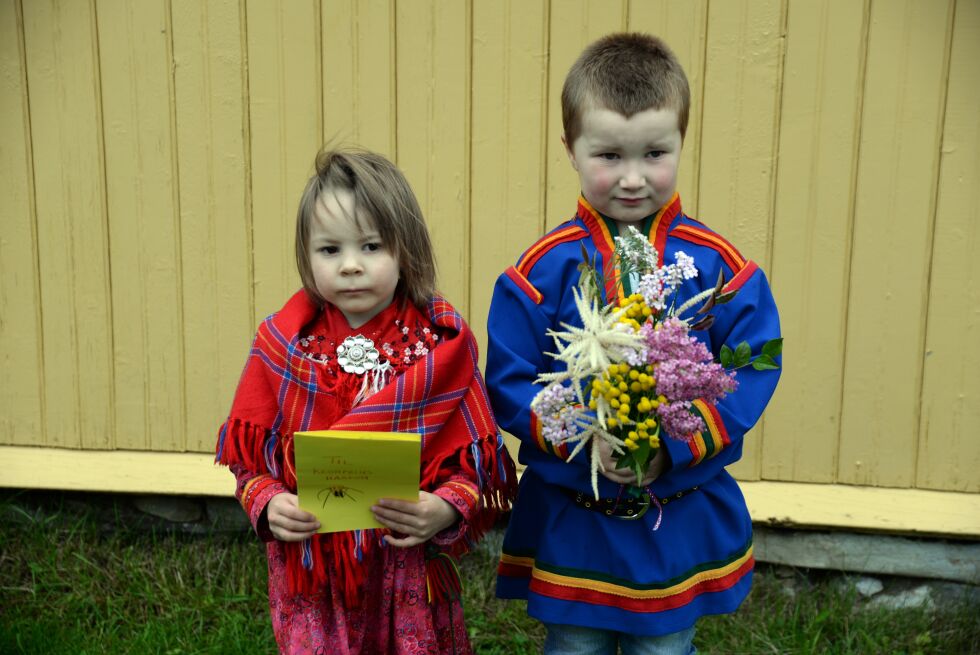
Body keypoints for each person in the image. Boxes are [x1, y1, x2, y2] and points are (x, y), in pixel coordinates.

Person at [486, 33, 782, 654]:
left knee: (664, 648)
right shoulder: (540, 273)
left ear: (681, 141)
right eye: (608, 156)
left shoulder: (718, 268)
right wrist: (584, 436)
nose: (631, 178)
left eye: (654, 153)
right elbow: (510, 379)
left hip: (674, 511)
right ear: (569, 149)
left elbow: (753, 363)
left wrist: (668, 446)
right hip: (578, 515)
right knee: (574, 645)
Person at [216, 147, 516, 654]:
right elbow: (250, 460)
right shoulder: (283, 347)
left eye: (371, 246)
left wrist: (445, 508)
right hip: (314, 575)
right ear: (306, 256)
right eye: (329, 250)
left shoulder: (439, 349)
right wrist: (268, 505)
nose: (351, 266)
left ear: (406, 250)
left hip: (406, 567)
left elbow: (473, 463)